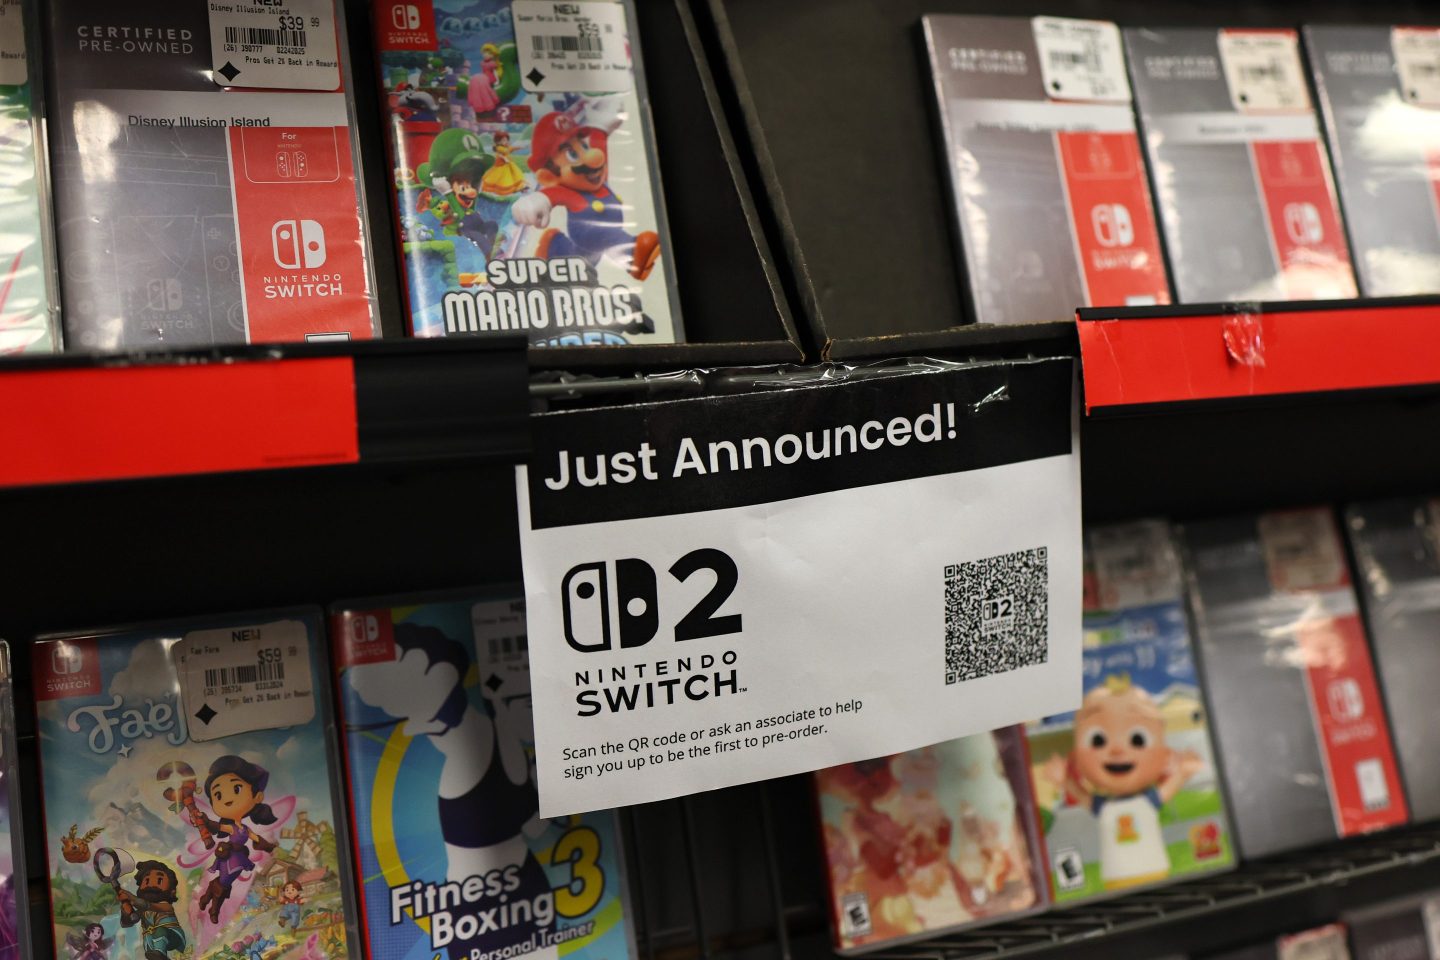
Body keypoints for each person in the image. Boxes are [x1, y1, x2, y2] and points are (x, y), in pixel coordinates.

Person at [1054, 676, 1202, 889]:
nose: (1117, 750)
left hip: (1155, 872)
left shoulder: (1149, 800)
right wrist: (1064, 780)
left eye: (1137, 739)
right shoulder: (1102, 805)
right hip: (1116, 878)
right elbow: (1079, 795)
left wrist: (1184, 771)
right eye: (1098, 740)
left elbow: (1173, 783)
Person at [187, 756, 278, 924]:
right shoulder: (232, 827)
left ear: (257, 797)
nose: (227, 799)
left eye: (237, 788)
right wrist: (204, 820)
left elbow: (256, 838)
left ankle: (208, 899)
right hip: (229, 856)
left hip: (239, 857)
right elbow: (217, 826)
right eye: (218, 795)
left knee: (225, 883)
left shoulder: (245, 829)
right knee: (224, 883)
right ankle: (213, 907)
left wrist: (269, 846)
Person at [116, 861, 186, 960]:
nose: (151, 885)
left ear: (172, 892)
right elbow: (129, 921)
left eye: (159, 880)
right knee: (150, 946)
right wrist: (126, 909)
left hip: (173, 936)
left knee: (159, 930)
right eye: (147, 880)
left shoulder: (166, 906)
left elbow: (147, 905)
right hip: (150, 939)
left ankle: (160, 953)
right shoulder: (143, 910)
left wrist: (131, 898)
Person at [480, 132, 527, 197]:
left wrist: (519, 147)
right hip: (501, 164)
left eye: (506, 140)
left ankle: (519, 187)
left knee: (515, 174)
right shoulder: (499, 147)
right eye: (503, 140)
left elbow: (510, 149)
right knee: (503, 178)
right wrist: (504, 158)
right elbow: (501, 153)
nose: (506, 141)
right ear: (498, 141)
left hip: (508, 163)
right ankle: (506, 189)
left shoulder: (506, 146)